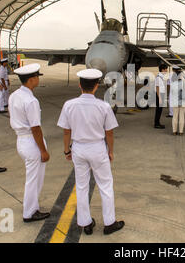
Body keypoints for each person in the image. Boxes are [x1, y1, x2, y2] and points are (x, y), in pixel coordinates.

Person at [57, 69, 124, 235]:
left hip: (78, 148)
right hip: (97, 148)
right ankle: (109, 223)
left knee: (81, 186)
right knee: (105, 185)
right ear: (96, 86)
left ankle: (85, 223)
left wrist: (67, 150)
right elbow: (109, 132)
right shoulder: (104, 106)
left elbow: (66, 131)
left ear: (80, 85)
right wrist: (111, 151)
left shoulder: (69, 105)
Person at [8, 63, 50, 223]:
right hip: (31, 143)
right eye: (37, 77)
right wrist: (43, 150)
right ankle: (30, 212)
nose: (38, 80)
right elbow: (36, 128)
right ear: (31, 79)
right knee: (34, 179)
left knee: (32, 177)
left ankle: (32, 207)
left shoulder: (14, 95)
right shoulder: (31, 100)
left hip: (21, 139)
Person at [170, 66, 185, 135]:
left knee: (175, 116)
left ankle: (174, 131)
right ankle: (181, 132)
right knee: (182, 116)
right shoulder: (184, 82)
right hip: (183, 101)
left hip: (175, 101)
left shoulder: (173, 82)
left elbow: (172, 92)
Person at [154, 64, 167, 129]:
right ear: (162, 69)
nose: (166, 70)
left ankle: (158, 122)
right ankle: (156, 124)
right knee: (158, 110)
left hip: (161, 95)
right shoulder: (158, 77)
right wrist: (160, 98)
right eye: (165, 69)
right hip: (159, 95)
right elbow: (157, 88)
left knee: (160, 110)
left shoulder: (161, 77)